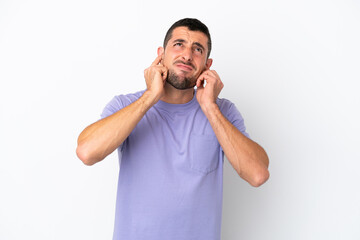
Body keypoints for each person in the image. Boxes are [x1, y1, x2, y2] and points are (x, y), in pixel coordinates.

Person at [76, 18, 269, 240]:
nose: (187, 55)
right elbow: (86, 152)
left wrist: (210, 108)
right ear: (161, 54)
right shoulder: (125, 105)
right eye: (179, 44)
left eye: (198, 49)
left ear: (207, 64)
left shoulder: (222, 111)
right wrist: (150, 97)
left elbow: (258, 174)